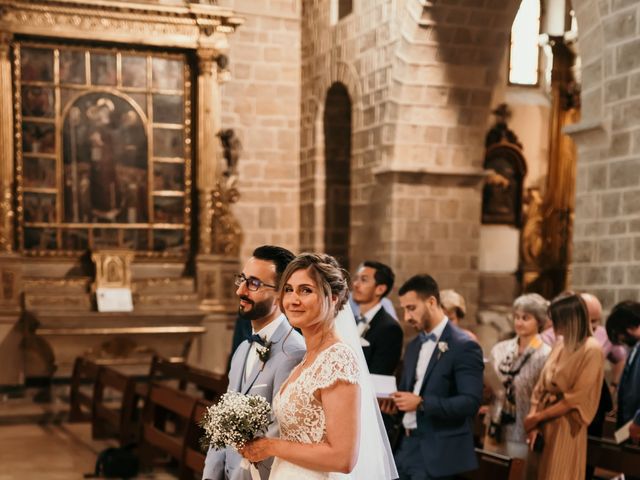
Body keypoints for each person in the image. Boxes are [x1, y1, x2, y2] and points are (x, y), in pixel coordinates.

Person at [240, 253, 397, 479]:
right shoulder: (309, 357)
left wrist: (271, 446)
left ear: (333, 298)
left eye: (306, 290)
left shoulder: (337, 359)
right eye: (289, 290)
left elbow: (343, 458)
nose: (294, 300)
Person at [202, 245, 306, 480]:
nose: (240, 290)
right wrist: (210, 476)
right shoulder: (243, 349)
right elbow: (223, 425)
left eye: (254, 284)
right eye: (242, 279)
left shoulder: (294, 354)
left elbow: (277, 435)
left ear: (282, 293)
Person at [385, 274, 484, 479]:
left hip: (437, 452)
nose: (406, 317)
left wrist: (421, 403)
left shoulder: (464, 345)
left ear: (431, 302)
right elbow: (409, 393)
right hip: (404, 446)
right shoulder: (413, 345)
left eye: (411, 308)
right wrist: (394, 404)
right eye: (404, 309)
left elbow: (470, 402)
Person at [524, 293, 604, 480]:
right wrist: (533, 419)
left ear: (571, 319)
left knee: (558, 474)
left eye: (557, 320)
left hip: (565, 425)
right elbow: (540, 385)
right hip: (543, 424)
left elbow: (574, 399)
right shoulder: (560, 344)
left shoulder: (592, 349)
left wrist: (537, 417)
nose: (553, 326)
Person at [484, 294, 551, 459]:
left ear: (539, 321)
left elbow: (545, 394)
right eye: (516, 317)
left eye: (525, 318)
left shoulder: (546, 353)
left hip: (523, 427)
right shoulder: (500, 349)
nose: (519, 322)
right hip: (496, 424)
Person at [351, 260, 403, 375]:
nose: (356, 284)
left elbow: (379, 373)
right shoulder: (352, 321)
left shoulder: (389, 328)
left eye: (363, 280)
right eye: (356, 278)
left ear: (380, 289)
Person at [606, 301, 640, 442]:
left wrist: (638, 421)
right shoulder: (636, 347)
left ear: (629, 328)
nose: (621, 340)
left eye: (620, 334)